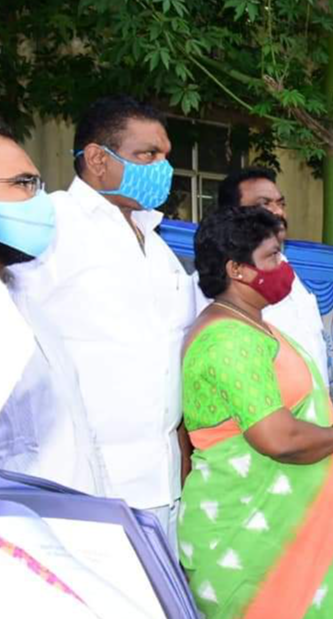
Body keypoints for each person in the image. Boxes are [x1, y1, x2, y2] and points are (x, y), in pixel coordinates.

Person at [180, 206, 333, 619]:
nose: (283, 266)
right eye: (272, 256)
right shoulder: (229, 339)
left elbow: (285, 417)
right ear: (236, 269)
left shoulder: (253, 326)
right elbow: (277, 438)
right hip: (256, 540)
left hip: (298, 529)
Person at [9, 96, 195, 549]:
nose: (162, 167)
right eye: (147, 155)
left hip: (164, 484)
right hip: (82, 488)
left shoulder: (159, 246)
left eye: (165, 156)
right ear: (96, 158)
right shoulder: (51, 224)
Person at [0, 122, 108, 495]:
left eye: (38, 184)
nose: (41, 200)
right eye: (23, 184)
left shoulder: (21, 298)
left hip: (64, 529)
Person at [194, 167, 328, 385]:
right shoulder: (215, 285)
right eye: (264, 204)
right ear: (232, 214)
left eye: (281, 203)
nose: (278, 213)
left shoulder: (289, 276)